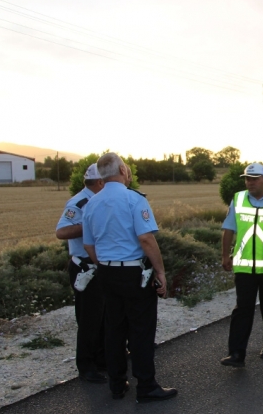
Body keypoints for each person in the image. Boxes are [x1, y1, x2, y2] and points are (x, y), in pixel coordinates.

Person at [82, 152, 177, 404]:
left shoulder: (91, 204)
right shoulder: (134, 199)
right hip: (133, 272)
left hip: (106, 271)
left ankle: (117, 383)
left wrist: (103, 264)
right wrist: (160, 271)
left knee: (114, 329)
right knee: (141, 330)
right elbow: (146, 238)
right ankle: (146, 386)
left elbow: (88, 244)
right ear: (123, 170)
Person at [219, 163, 263, 367]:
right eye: (247, 178)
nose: (250, 182)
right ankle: (237, 353)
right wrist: (225, 256)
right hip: (245, 267)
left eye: (254, 178)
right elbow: (229, 229)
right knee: (243, 309)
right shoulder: (238, 199)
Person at [55, 163, 106, 384]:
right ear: (100, 182)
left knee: (103, 315)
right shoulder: (79, 203)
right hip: (84, 267)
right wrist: (89, 224)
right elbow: (62, 231)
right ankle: (86, 366)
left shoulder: (99, 201)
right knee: (88, 319)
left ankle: (102, 358)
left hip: (100, 265)